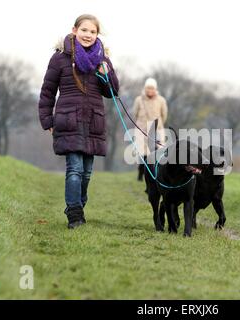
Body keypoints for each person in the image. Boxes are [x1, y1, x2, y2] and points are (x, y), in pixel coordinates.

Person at [38, 14, 119, 229]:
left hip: (94, 121)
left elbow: (113, 92)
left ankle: (78, 205)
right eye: (84, 30)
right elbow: (47, 91)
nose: (88, 35)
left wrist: (106, 74)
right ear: (74, 30)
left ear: (97, 35)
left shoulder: (102, 60)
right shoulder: (60, 58)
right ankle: (74, 214)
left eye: (93, 32)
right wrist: (47, 120)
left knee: (86, 173)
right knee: (74, 169)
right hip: (68, 120)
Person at [132, 78, 168, 181]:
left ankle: (154, 174)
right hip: (141, 129)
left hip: (157, 129)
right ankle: (140, 172)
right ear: (145, 88)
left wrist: (159, 125)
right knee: (142, 153)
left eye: (152, 88)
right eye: (148, 88)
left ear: (155, 89)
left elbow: (164, 115)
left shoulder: (161, 100)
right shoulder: (139, 100)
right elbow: (135, 113)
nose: (150, 90)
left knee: (156, 152)